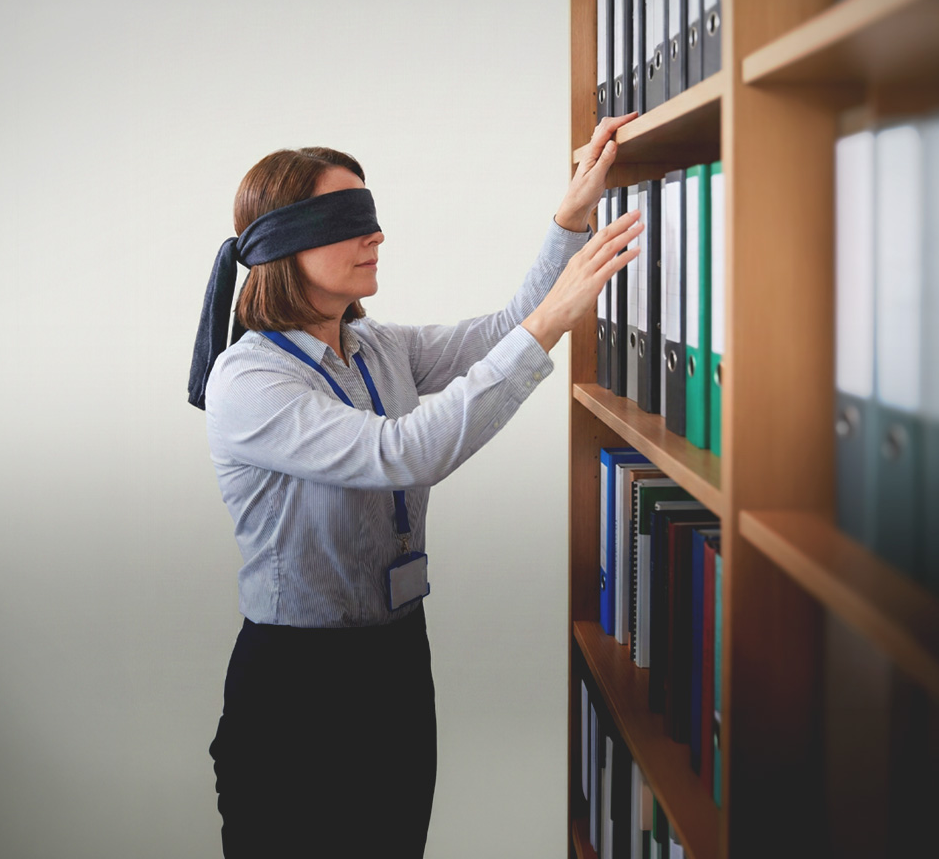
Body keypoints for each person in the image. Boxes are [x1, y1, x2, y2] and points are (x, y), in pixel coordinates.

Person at [188, 113, 641, 857]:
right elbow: (400, 454)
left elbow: (503, 329)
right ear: (284, 245)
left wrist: (569, 218)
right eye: (350, 221)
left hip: (396, 660)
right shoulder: (250, 379)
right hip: (298, 683)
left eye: (371, 216)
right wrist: (550, 326)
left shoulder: (375, 345)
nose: (377, 236)